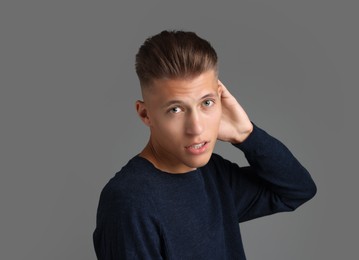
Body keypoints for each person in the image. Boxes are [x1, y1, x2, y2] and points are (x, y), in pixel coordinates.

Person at [93, 30, 316, 259]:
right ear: (145, 114)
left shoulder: (213, 173)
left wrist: (246, 134)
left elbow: (297, 189)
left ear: (221, 99)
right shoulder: (129, 202)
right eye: (176, 109)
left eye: (207, 103)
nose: (196, 128)